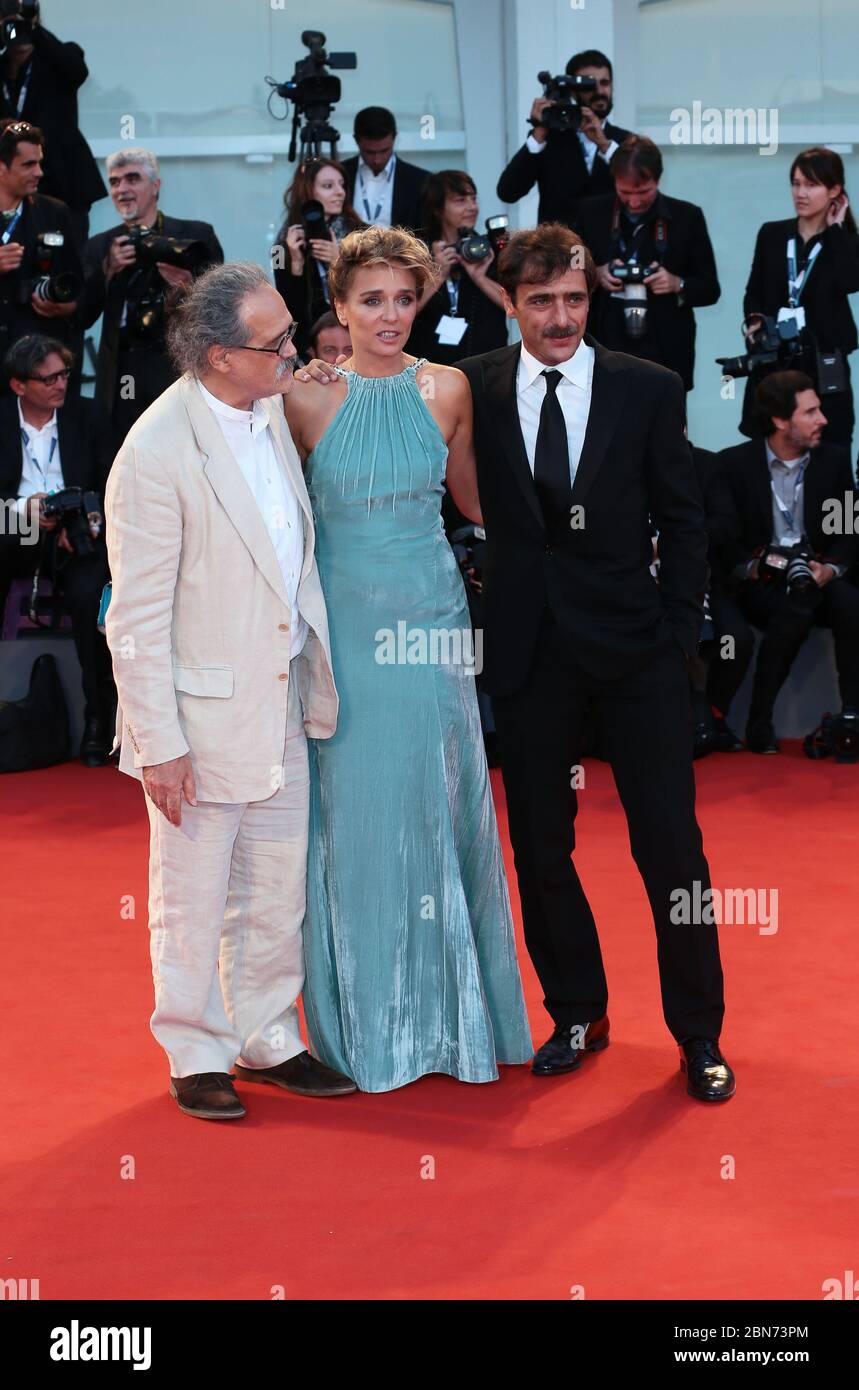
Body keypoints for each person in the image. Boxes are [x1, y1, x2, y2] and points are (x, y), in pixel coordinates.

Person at [454, 222, 734, 1102]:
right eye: (541, 301)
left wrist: (679, 633)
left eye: (574, 298)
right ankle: (576, 1009)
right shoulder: (474, 386)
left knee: (672, 851)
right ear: (511, 301)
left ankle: (697, 1034)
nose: (561, 316)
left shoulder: (645, 387)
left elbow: (684, 518)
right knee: (540, 845)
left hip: (636, 652)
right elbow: (388, 394)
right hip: (532, 652)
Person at [104, 261, 355, 1121]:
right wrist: (160, 746)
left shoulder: (267, 407)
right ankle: (193, 1047)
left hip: (279, 691)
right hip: (196, 717)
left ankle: (266, 1035)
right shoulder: (156, 451)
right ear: (217, 355)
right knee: (193, 889)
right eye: (277, 340)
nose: (297, 346)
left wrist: (305, 372)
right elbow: (132, 616)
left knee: (275, 880)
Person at [285, 225, 533, 1093]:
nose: (389, 316)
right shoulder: (302, 398)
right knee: (354, 815)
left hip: (429, 618)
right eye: (371, 300)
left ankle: (452, 1021)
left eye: (403, 298)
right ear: (340, 307)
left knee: (436, 804)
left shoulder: (451, 387)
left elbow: (471, 502)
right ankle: (365, 1021)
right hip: (344, 626)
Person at [711, 371, 859, 754]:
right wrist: (754, 566)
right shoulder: (733, 465)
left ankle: (853, 716)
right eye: (811, 412)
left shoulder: (834, 461)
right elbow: (723, 537)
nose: (823, 420)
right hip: (763, 583)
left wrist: (832, 569)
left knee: (848, 602)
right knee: (795, 611)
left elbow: (846, 528)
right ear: (780, 420)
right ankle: (760, 721)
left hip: (818, 574)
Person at [0, 333, 114, 764]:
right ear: (18, 386)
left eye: (65, 374)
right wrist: (19, 511)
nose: (60, 385)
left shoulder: (88, 416)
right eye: (48, 379)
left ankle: (97, 720)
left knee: (90, 593)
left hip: (73, 534)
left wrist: (85, 521)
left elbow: (111, 484)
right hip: (11, 528)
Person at [79, 147, 223, 450]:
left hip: (175, 362)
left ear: (155, 186)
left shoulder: (194, 236)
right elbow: (81, 316)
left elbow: (220, 309)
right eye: (115, 182)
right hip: (120, 370)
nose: (122, 189)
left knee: (181, 451)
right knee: (124, 454)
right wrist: (107, 269)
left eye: (132, 179)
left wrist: (187, 286)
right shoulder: (101, 245)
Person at [576, 136, 720, 392]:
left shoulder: (687, 217)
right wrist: (595, 274)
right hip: (603, 344)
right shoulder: (591, 212)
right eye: (625, 192)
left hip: (665, 347)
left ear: (658, 179)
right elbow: (569, 269)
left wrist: (677, 283)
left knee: (665, 429)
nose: (634, 201)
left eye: (643, 192)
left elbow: (710, 288)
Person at [740, 147, 859, 449]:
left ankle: (836, 501)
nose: (800, 193)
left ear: (835, 190)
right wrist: (755, 324)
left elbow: (850, 282)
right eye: (796, 183)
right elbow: (753, 292)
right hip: (777, 359)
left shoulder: (843, 242)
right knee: (767, 447)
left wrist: (835, 230)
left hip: (823, 361)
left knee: (829, 448)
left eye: (811, 184)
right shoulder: (772, 234)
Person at [0, 2, 106, 247]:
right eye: (11, 25)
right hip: (12, 186)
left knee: (69, 259)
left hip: (63, 180)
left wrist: (33, 28)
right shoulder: (3, 70)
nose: (20, 33)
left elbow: (76, 71)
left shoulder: (56, 59)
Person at [496, 48, 633, 229]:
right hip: (557, 252)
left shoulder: (627, 141)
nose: (600, 91)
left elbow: (640, 189)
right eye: (590, 85)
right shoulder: (548, 140)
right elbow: (508, 192)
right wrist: (539, 133)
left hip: (609, 251)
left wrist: (604, 145)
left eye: (605, 83)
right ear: (573, 91)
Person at [0, 118, 80, 381]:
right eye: (28, 164)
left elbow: (78, 284)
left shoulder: (55, 212)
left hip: (38, 366)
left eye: (39, 163)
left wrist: (65, 306)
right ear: (2, 167)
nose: (39, 172)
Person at [407, 170, 508, 365]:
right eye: (460, 200)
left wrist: (480, 278)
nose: (471, 207)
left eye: (473, 199)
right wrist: (438, 274)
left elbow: (515, 305)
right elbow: (404, 310)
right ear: (438, 208)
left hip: (488, 363)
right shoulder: (417, 253)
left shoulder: (492, 249)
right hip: (431, 367)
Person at [271, 157, 363, 360]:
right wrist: (296, 266)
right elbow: (288, 312)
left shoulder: (361, 234)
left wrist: (338, 262)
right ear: (308, 192)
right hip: (309, 349)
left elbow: (371, 291)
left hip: (357, 339)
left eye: (342, 185)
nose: (340, 192)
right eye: (328, 186)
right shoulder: (283, 242)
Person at [340, 105, 429, 235]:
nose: (377, 159)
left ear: (395, 138)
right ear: (356, 140)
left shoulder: (420, 181)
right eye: (369, 152)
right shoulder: (339, 175)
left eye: (384, 151)